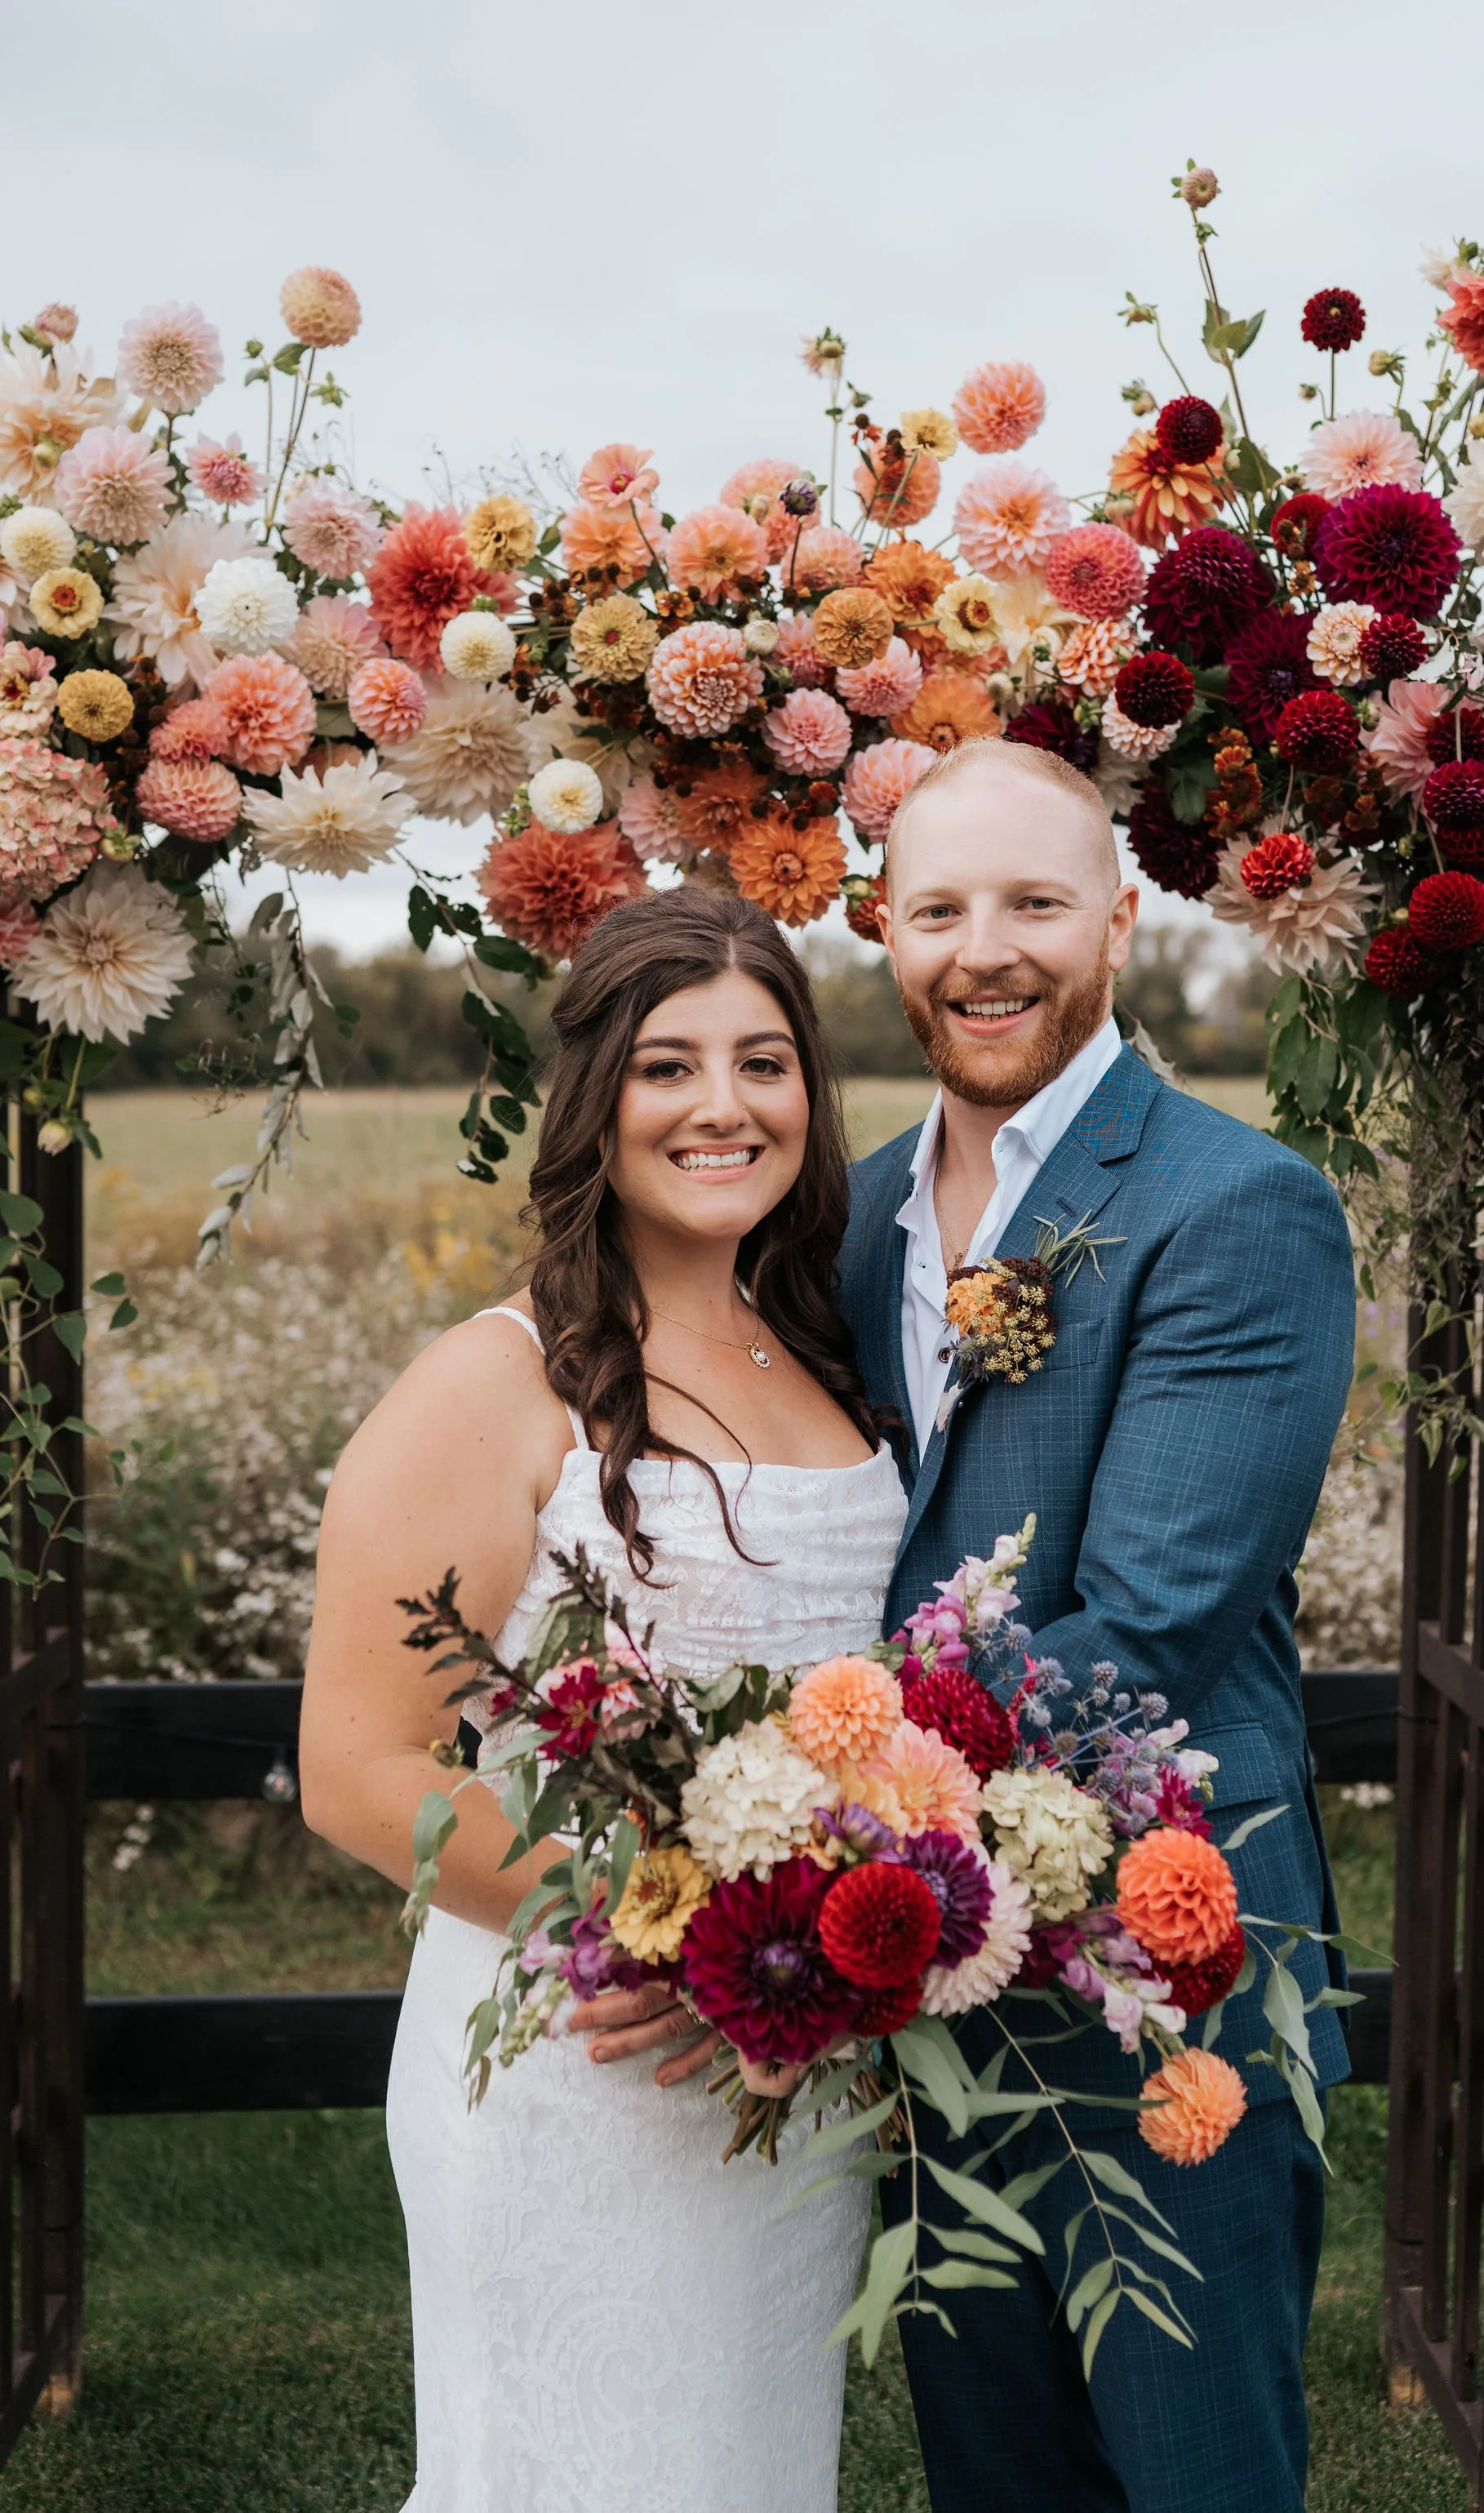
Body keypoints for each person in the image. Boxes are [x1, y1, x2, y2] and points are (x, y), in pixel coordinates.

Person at [299, 889, 907, 2513]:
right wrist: (669, 1943)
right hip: (586, 2053)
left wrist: (806, 1967)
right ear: (596, 1102)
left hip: (791, 2069)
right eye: (669, 1067)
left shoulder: (824, 1348)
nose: (725, 1105)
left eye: (765, 1061)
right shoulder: (499, 1382)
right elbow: (359, 1770)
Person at [837, 738, 1357, 2513]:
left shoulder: (1235, 1206)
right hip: (917, 1981)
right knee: (993, 2476)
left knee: (1194, 2476)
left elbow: (1147, 1628)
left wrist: (787, 1799)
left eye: (1035, 903)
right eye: (939, 909)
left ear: (1119, 920)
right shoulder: (845, 1220)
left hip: (1165, 1979)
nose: (985, 950)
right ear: (880, 931)